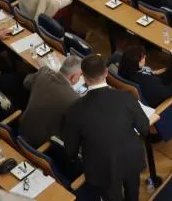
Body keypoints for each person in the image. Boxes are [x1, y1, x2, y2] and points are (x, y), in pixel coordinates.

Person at [61, 54, 150, 201]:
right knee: (133, 192)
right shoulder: (126, 97)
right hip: (130, 157)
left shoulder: (74, 110)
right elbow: (145, 128)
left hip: (100, 167)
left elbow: (70, 150)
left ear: (84, 77)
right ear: (106, 73)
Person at [19, 56, 82, 147]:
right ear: (73, 77)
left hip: (22, 128)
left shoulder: (43, 72)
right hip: (41, 144)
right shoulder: (74, 99)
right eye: (80, 75)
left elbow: (26, 83)